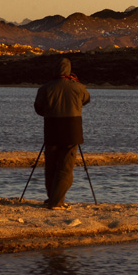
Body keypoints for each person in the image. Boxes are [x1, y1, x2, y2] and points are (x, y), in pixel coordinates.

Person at [34, 57, 90, 209]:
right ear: (69, 70)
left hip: (51, 129)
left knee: (51, 166)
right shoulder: (79, 87)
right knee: (65, 168)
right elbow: (86, 100)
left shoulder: (45, 88)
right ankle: (56, 202)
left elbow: (38, 108)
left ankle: (53, 197)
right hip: (72, 132)